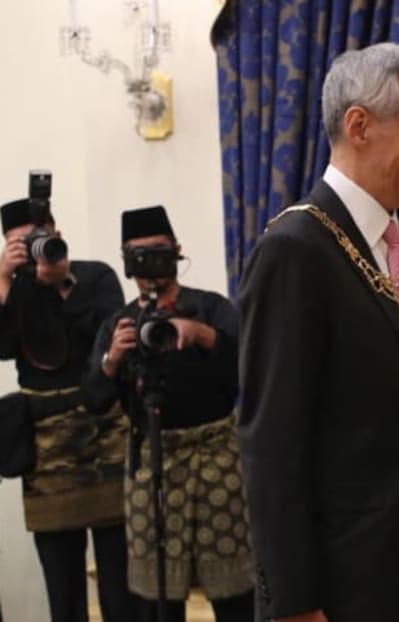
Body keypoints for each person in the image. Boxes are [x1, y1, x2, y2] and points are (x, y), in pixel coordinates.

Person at [238, 42, 399, 622]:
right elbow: (272, 444)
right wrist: (293, 604)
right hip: (332, 589)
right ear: (359, 125)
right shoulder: (295, 249)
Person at [84, 206, 254, 622]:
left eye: (158, 252)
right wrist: (111, 361)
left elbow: (249, 373)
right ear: (125, 260)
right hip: (151, 459)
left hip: (216, 456)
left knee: (234, 585)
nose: (149, 265)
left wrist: (203, 335)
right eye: (138, 256)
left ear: (177, 251)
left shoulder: (211, 308)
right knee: (154, 592)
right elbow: (93, 400)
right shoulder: (118, 324)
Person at [0, 197, 133, 622]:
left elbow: (110, 334)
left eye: (39, 237)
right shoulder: (12, 288)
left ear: (55, 233)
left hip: (106, 434)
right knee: (63, 584)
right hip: (47, 448)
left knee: (119, 582)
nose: (34, 248)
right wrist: (5, 281)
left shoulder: (94, 276)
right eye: (19, 243)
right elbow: (3, 349)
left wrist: (61, 286)